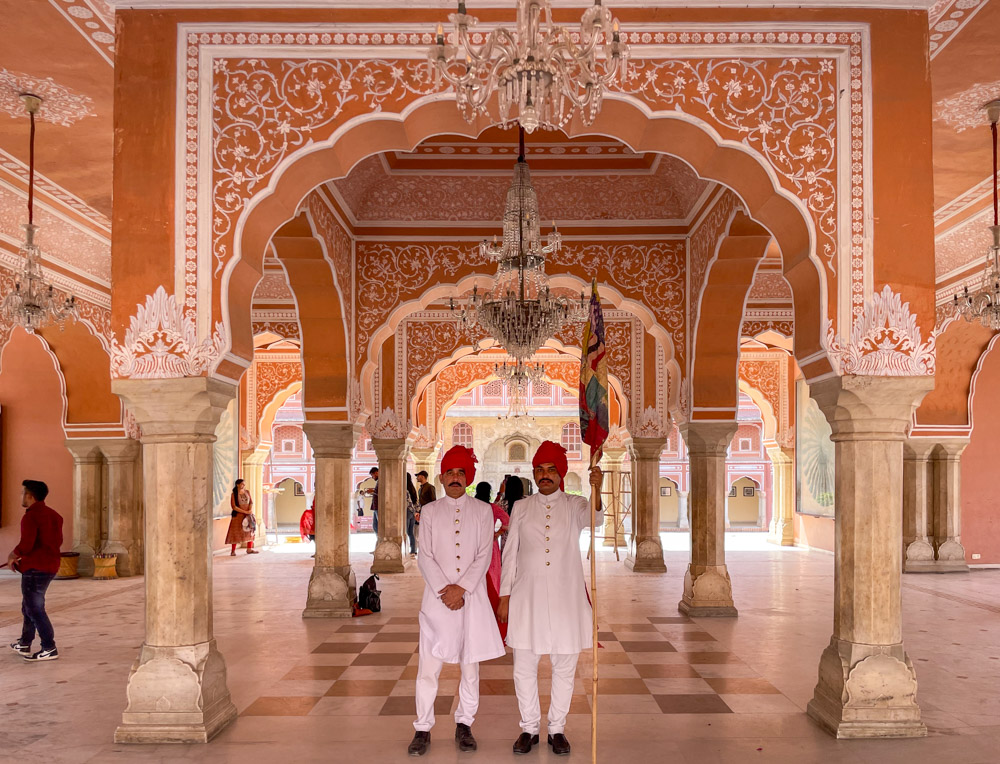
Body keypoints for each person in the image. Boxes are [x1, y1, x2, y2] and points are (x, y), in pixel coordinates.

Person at [499, 441, 603, 756]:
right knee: (524, 667)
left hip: (566, 600)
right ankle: (529, 728)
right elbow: (510, 553)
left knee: (564, 667)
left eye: (551, 470)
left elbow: (595, 520)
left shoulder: (575, 504)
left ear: (561, 474)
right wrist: (504, 594)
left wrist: (598, 487)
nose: (545, 475)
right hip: (526, 598)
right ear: (534, 473)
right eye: (540, 470)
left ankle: (557, 728)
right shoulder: (521, 506)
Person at [408, 446, 505, 757]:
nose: (454, 477)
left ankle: (465, 723)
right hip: (437, 602)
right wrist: (444, 591)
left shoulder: (482, 511)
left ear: (469, 477)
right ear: (441, 477)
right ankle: (422, 727)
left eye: (460, 472)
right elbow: (425, 556)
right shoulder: (432, 511)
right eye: (449, 472)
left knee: (470, 666)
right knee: (428, 666)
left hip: (471, 600)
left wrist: (461, 589)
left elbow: (484, 554)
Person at [7, 480, 64, 662]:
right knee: (29, 606)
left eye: (23, 493)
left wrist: (13, 554)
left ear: (30, 496)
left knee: (35, 608)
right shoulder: (55, 515)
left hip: (35, 569)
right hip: (50, 566)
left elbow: (27, 544)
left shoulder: (31, 516)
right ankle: (24, 642)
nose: (21, 496)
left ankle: (49, 647)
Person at [474, 482, 510, 641]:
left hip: (473, 547)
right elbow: (508, 522)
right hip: (490, 547)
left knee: (476, 583)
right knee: (493, 584)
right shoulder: (491, 508)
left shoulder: (471, 506)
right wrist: (497, 534)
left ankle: (478, 623)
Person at [226, 479, 258, 555]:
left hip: (248, 515)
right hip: (238, 516)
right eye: (242, 484)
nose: (243, 485)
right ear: (237, 484)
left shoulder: (247, 492)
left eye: (244, 484)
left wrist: (249, 510)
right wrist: (245, 512)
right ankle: (233, 551)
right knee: (235, 532)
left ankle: (249, 549)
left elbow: (251, 502)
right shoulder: (234, 494)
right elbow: (234, 507)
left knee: (250, 530)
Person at [406, 473, 420, 557]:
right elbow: (416, 501)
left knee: (405, 532)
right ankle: (413, 550)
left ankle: (407, 549)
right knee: (411, 532)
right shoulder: (413, 488)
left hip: (408, 511)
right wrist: (416, 512)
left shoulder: (404, 489)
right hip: (412, 513)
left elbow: (409, 502)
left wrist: (412, 511)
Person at [368, 466, 380, 535]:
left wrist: (372, 491)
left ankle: (380, 542)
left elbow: (382, 493)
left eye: (372, 475)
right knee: (375, 526)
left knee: (378, 526)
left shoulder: (381, 480)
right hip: (376, 506)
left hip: (378, 506)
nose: (372, 477)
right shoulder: (379, 481)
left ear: (376, 473)